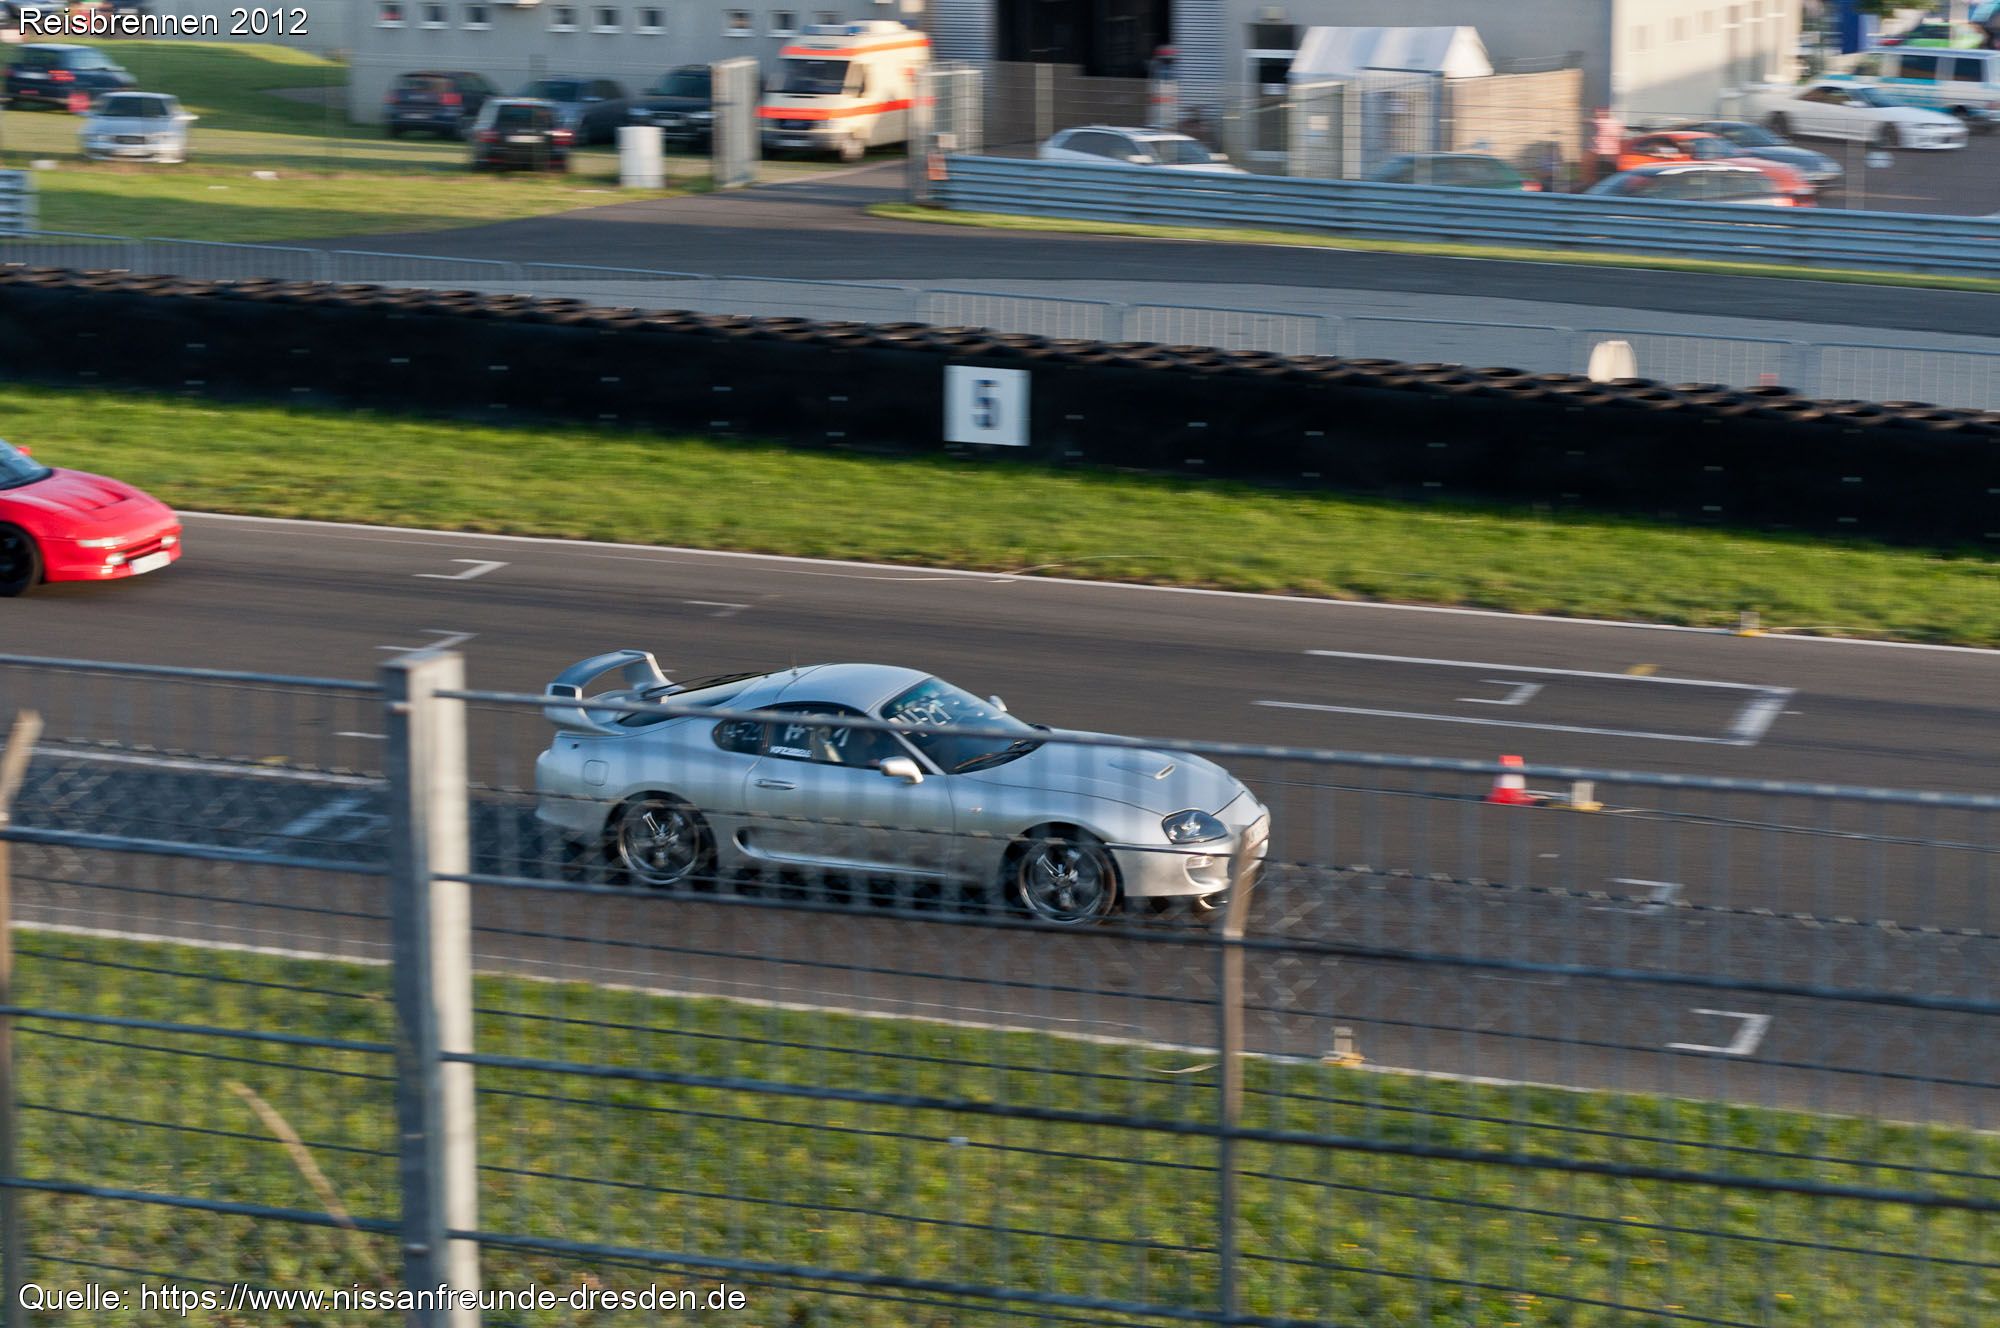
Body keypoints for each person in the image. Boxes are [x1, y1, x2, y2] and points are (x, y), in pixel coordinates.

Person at [1589, 106, 1623, 186]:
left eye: (1598, 112)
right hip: (1614, 152)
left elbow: (1591, 121)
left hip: (1604, 153)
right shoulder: (1617, 122)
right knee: (1611, 172)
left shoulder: (1602, 122)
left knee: (1602, 173)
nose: (1596, 114)